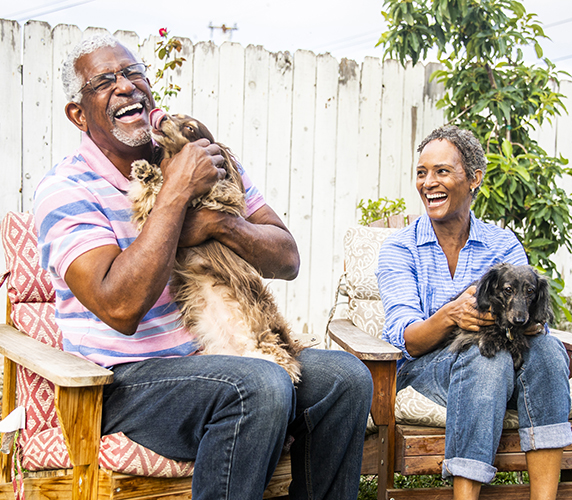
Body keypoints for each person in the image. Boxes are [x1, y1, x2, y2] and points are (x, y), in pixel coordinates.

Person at [33, 33, 372, 500]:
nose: (127, 87)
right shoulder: (67, 190)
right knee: (258, 386)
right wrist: (174, 197)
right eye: (105, 81)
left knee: (345, 378)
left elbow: (287, 258)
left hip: (225, 354)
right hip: (125, 381)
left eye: (134, 74)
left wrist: (217, 224)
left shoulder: (199, 158)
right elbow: (120, 306)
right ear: (78, 113)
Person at [376, 125, 572, 500]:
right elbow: (406, 340)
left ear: (474, 179)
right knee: (488, 356)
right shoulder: (400, 248)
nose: (428, 182)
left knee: (548, 350)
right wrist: (450, 315)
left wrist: (526, 320)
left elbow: (529, 315)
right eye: (422, 172)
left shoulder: (503, 243)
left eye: (442, 171)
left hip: (510, 362)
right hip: (429, 367)